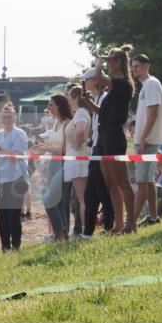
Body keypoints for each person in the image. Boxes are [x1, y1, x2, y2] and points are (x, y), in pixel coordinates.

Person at [79, 46, 135, 233]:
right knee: (110, 183)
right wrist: (87, 101)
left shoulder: (122, 84)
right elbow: (102, 112)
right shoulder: (113, 88)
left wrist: (98, 61)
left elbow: (97, 78)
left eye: (110, 60)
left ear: (119, 62)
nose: (107, 63)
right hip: (104, 136)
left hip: (114, 136)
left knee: (122, 181)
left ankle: (131, 224)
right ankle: (119, 223)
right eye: (107, 60)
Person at [130, 54, 162, 228]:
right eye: (133, 66)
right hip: (146, 139)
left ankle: (130, 223)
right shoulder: (146, 85)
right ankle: (153, 217)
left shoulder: (152, 84)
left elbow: (153, 113)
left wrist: (143, 137)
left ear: (147, 66)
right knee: (148, 180)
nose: (134, 69)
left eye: (137, 66)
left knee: (142, 182)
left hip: (147, 140)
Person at [33, 93, 72, 242]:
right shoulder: (56, 123)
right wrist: (45, 146)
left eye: (51, 104)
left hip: (63, 164)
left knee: (49, 200)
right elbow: (56, 146)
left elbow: (66, 150)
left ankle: (59, 234)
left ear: (59, 106)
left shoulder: (68, 123)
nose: (48, 107)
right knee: (57, 202)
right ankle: (62, 234)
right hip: (53, 164)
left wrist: (46, 149)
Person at [81, 68, 115, 237]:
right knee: (91, 194)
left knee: (102, 190)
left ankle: (109, 225)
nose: (84, 84)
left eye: (86, 80)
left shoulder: (105, 98)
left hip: (102, 150)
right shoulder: (96, 99)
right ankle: (88, 231)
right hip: (96, 148)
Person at [0, 103, 30, 250]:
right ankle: (5, 247)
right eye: (4, 116)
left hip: (15, 178)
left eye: (9, 116)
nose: (6, 119)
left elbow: (15, 156)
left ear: (15, 117)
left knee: (13, 215)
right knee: (1, 216)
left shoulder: (19, 134)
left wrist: (0, 148)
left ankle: (16, 246)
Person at [65, 85, 91, 236]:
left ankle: (84, 231)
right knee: (83, 198)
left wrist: (76, 143)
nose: (68, 100)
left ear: (76, 98)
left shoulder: (81, 113)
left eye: (69, 97)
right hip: (78, 158)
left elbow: (81, 129)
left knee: (82, 199)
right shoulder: (81, 113)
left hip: (78, 159)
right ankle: (84, 230)